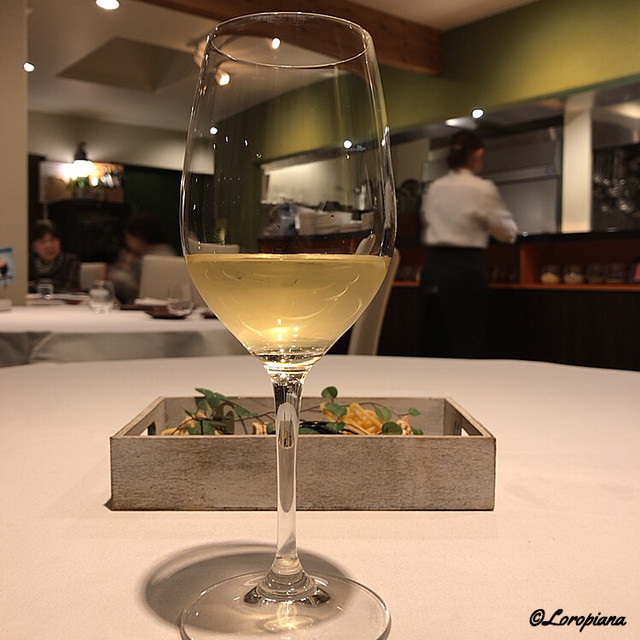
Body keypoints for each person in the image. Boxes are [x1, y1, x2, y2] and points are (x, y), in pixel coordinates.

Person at [420, 131, 518, 358]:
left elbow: (426, 220)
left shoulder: (435, 187)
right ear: (478, 153)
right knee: (466, 341)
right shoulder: (482, 188)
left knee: (433, 341)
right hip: (465, 269)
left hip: (433, 267)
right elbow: (506, 233)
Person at [107, 210, 176, 303]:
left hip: (141, 307)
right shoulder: (169, 252)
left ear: (139, 236)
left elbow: (130, 287)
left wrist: (110, 273)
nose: (128, 241)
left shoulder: (148, 260)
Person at [28, 220, 80, 293]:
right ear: (34, 247)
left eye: (53, 240)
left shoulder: (71, 260)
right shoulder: (28, 262)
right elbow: (21, 287)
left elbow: (67, 288)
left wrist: (34, 284)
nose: (49, 245)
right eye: (42, 242)